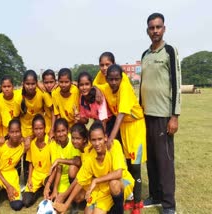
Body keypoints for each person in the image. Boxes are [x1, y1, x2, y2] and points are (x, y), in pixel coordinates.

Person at [140, 12, 181, 214]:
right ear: (147, 30)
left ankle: (168, 205)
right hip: (146, 115)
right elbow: (142, 86)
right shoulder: (145, 55)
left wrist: (175, 116)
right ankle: (155, 196)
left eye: (158, 27)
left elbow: (176, 84)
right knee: (152, 158)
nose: (155, 31)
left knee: (165, 160)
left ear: (164, 28)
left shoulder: (170, 51)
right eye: (151, 28)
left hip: (164, 115)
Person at [54, 120, 134, 214]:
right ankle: (110, 208)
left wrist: (96, 180)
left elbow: (118, 173)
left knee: (114, 184)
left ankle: (118, 210)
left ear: (105, 137)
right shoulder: (90, 156)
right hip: (103, 188)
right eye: (94, 140)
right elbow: (80, 181)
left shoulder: (114, 145)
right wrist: (66, 204)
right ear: (90, 141)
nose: (97, 143)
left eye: (99, 139)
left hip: (122, 181)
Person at [101, 64, 147, 214]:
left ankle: (138, 203)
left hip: (135, 127)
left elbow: (120, 116)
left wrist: (110, 140)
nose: (114, 82)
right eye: (111, 79)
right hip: (124, 129)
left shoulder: (125, 87)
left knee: (135, 166)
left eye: (117, 79)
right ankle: (129, 197)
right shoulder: (106, 88)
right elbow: (95, 84)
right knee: (126, 166)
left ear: (122, 78)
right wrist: (96, 90)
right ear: (106, 78)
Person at [0, 119, 26, 211]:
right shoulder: (0, 145)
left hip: (11, 174)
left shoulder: (22, 146)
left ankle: (6, 191)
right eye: (12, 132)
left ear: (21, 132)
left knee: (17, 205)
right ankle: (1, 190)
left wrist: (26, 139)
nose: (15, 134)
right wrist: (8, 186)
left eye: (17, 131)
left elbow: (31, 138)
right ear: (8, 132)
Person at [43, 118, 81, 201]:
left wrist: (59, 160)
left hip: (73, 176)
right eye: (58, 131)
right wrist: (54, 188)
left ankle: (74, 197)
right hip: (60, 177)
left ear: (68, 130)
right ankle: (58, 193)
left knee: (72, 168)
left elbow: (78, 161)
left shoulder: (73, 140)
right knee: (47, 181)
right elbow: (58, 168)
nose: (61, 134)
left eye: (63, 130)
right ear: (55, 133)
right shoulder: (54, 144)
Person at [22, 114, 52, 208]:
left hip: (48, 175)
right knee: (26, 202)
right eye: (36, 129)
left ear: (45, 128)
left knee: (51, 189)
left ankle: (45, 187)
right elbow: (30, 162)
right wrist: (29, 178)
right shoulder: (32, 143)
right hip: (36, 174)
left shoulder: (50, 142)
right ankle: (39, 190)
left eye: (41, 128)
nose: (38, 131)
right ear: (33, 129)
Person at [41, 69, 57, 137]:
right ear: (43, 83)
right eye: (46, 83)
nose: (49, 85)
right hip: (47, 123)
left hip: (58, 122)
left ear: (55, 82)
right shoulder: (44, 93)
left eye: (51, 82)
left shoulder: (58, 90)